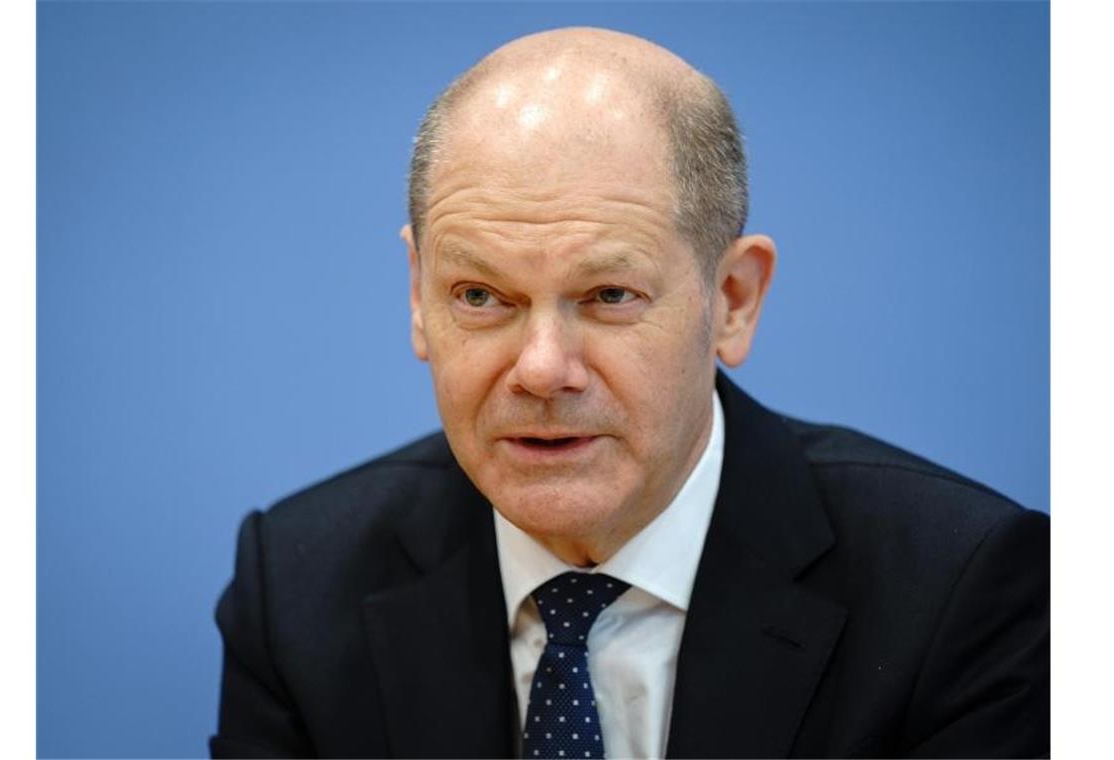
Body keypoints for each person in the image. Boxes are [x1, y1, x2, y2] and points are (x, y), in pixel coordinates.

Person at [211, 27, 1048, 759]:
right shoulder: (296, 588)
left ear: (732, 301)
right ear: (417, 295)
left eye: (610, 295)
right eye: (479, 296)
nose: (541, 369)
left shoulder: (959, 592)